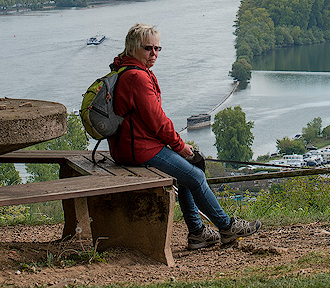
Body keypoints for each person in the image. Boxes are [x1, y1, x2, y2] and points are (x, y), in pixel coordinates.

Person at [109, 23, 261, 250]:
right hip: (139, 150)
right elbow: (157, 121)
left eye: (158, 49)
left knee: (188, 173)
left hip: (131, 146)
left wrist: (179, 148)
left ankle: (198, 233)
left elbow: (148, 120)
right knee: (196, 176)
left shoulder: (127, 70)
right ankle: (226, 226)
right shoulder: (137, 77)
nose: (154, 54)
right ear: (132, 48)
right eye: (148, 48)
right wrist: (180, 147)